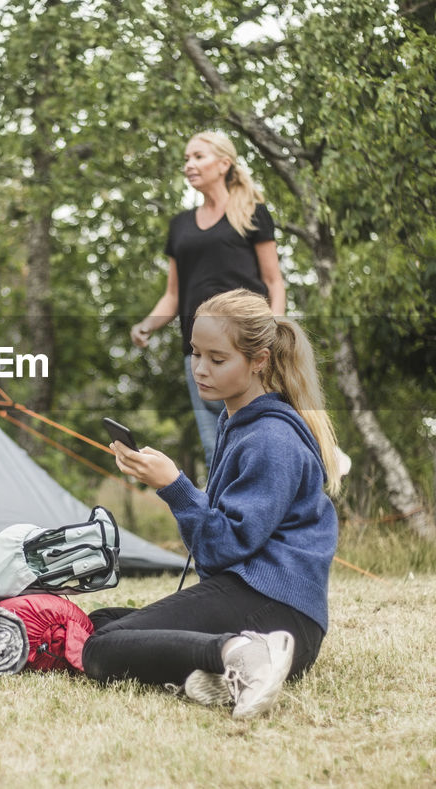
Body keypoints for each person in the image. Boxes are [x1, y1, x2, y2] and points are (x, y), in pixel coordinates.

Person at [86, 289, 340, 720]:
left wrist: (175, 488)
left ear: (259, 360)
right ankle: (221, 672)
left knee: (101, 649)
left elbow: (225, 547)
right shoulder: (237, 421)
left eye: (217, 359)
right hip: (256, 598)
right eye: (195, 354)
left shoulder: (271, 440)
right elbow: (232, 530)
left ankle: (241, 654)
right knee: (101, 623)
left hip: (277, 611)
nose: (201, 369)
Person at [130, 131, 286, 469]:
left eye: (198, 157)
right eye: (186, 159)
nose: (189, 165)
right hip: (198, 351)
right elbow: (173, 295)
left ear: (224, 163)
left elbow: (274, 281)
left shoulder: (252, 213)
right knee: (216, 447)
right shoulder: (180, 226)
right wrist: (147, 325)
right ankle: (224, 520)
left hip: (247, 345)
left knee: (263, 435)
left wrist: (274, 334)